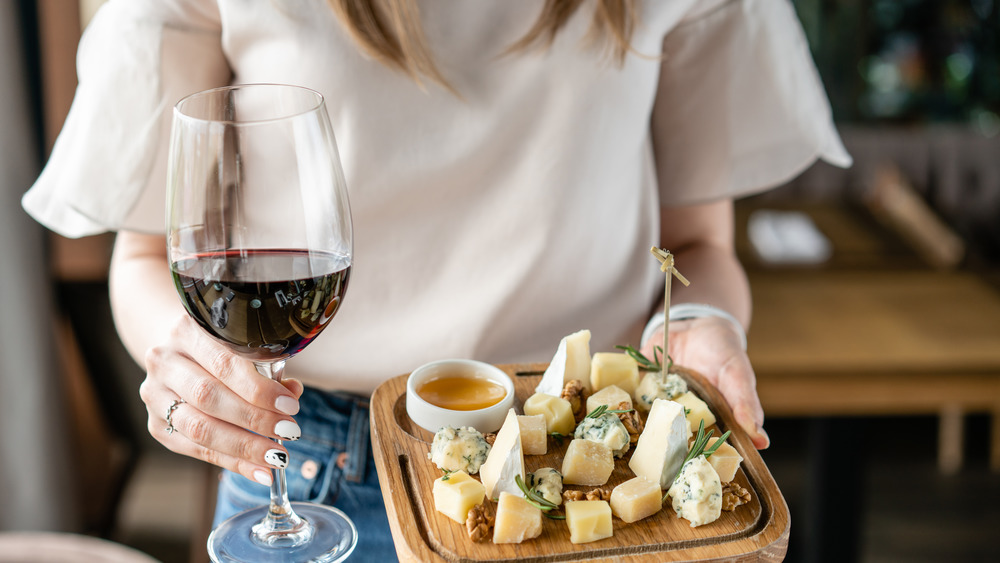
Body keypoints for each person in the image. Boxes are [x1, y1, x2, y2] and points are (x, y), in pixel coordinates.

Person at [24, 0, 850, 558]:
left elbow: (696, 242)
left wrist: (700, 327)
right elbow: (144, 260)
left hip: (595, 472)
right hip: (312, 472)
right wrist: (183, 363)